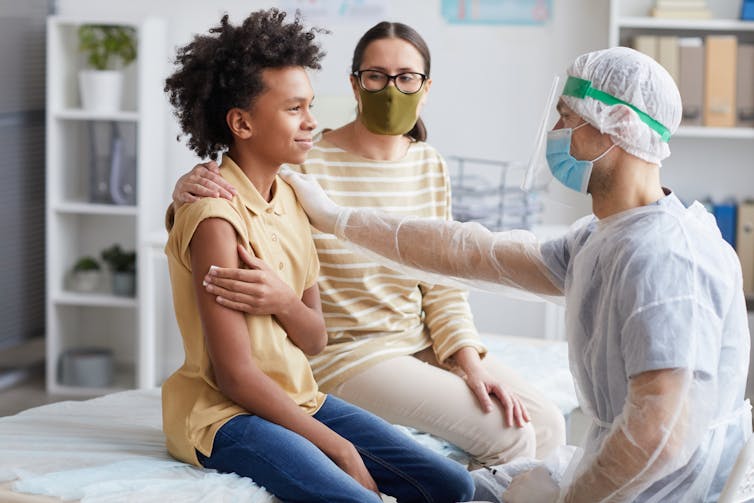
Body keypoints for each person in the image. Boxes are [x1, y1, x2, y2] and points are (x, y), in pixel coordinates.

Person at [277, 46, 752, 502]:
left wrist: (572, 498)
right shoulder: (607, 238)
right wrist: (339, 218)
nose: (556, 131)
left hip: (663, 492)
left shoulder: (663, 259)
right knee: (471, 487)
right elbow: (473, 252)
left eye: (568, 117)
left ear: (618, 127)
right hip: (631, 482)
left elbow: (657, 438)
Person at [169, 20, 566, 470]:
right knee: (510, 435)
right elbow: (244, 185)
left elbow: (443, 282)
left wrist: (467, 359)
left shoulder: (428, 165)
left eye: (406, 77)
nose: (390, 89)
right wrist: (187, 182)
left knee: (548, 423)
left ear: (426, 87)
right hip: (348, 353)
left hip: (417, 344)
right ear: (355, 85)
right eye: (376, 76)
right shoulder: (303, 160)